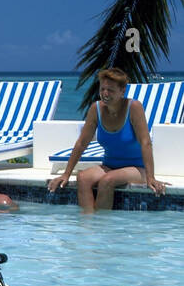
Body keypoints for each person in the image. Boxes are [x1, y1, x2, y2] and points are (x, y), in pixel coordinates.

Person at [48, 67, 167, 211]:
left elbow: (146, 143)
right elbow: (81, 143)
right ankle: (87, 226)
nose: (105, 93)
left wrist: (151, 177)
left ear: (122, 91)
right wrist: (66, 174)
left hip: (137, 168)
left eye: (110, 90)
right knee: (83, 177)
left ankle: (103, 227)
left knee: (107, 180)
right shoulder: (95, 109)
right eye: (102, 89)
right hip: (109, 165)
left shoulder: (134, 107)